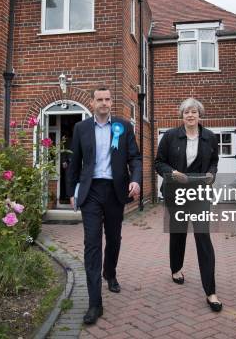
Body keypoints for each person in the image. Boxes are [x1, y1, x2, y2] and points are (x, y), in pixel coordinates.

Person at [67, 87, 142, 325]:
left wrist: (135, 179)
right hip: (90, 192)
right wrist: (71, 192)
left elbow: (135, 157)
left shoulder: (123, 126)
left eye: (107, 99)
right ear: (92, 102)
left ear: (111, 102)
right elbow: (74, 161)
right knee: (92, 243)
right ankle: (94, 303)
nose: (104, 103)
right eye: (99, 99)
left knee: (114, 238)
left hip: (114, 191)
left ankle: (110, 272)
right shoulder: (81, 128)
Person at [154, 97, 223, 312]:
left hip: (200, 192)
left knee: (203, 236)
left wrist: (212, 174)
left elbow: (214, 161)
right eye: (186, 112)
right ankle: (176, 268)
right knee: (178, 233)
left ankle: (210, 291)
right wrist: (171, 173)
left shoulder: (210, 137)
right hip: (176, 192)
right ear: (182, 115)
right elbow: (159, 162)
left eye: (194, 112)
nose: (190, 115)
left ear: (199, 114)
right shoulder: (170, 137)